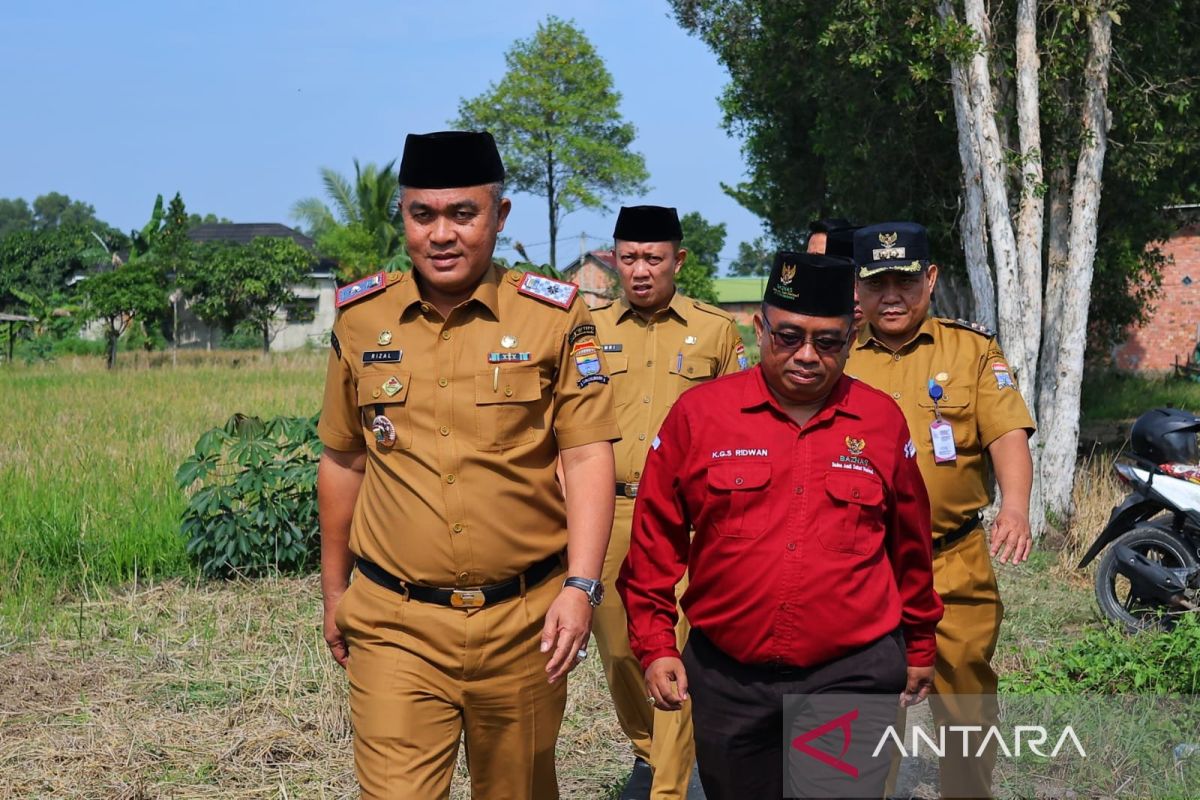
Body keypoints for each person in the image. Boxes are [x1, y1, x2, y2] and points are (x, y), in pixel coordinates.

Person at [316, 130, 620, 800]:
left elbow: (587, 453)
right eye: (423, 215)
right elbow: (343, 460)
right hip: (395, 623)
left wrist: (580, 587)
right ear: (403, 217)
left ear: (499, 216)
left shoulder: (553, 317)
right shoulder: (363, 320)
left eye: (463, 214)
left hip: (524, 624)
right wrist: (335, 593)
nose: (442, 234)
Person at [618, 251, 943, 800]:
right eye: (789, 336)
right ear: (759, 326)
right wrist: (655, 645)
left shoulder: (880, 422)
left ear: (852, 334)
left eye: (829, 342)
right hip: (729, 678)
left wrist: (919, 645)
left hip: (853, 670)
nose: (808, 356)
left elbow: (909, 546)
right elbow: (654, 541)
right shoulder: (700, 416)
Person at [847, 221, 1035, 799]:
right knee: (866, 714)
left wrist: (1016, 508)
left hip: (952, 560)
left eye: (903, 280)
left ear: (929, 278)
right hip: (860, 566)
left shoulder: (972, 351)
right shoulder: (834, 354)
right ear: (858, 289)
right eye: (877, 283)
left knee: (967, 706)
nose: (891, 296)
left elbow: (1006, 433)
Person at [590, 205, 745, 799]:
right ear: (614, 260)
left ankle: (670, 783)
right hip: (612, 508)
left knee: (675, 645)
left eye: (653, 258)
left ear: (678, 260)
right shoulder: (590, 327)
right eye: (628, 258)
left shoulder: (714, 331)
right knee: (619, 646)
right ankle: (650, 751)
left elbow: (737, 424)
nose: (640, 270)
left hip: (689, 519)